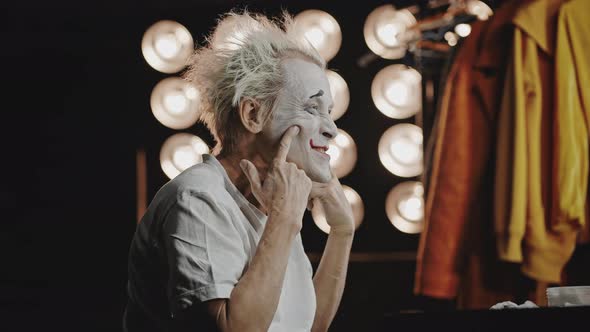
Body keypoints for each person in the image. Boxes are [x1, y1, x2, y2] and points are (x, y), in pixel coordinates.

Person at [123, 10, 355, 332]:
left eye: (328, 112)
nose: (332, 130)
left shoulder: (272, 202)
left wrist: (342, 233)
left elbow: (307, 326)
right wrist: (285, 220)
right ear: (253, 114)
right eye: (312, 107)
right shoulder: (197, 199)